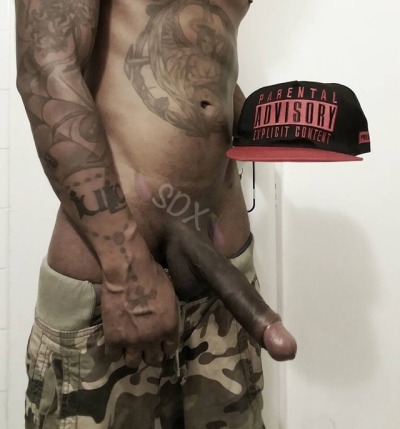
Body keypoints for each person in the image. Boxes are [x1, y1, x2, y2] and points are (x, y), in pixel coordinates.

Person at [15, 0, 296, 428]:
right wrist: (125, 268)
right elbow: (46, 68)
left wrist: (261, 117)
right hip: (113, 289)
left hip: (222, 284)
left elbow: (199, 49)